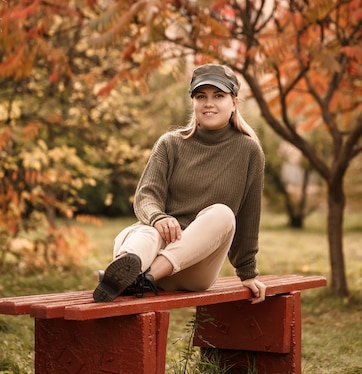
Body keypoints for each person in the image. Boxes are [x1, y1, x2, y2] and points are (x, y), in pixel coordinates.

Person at [93, 63, 266, 304]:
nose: (209, 103)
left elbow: (249, 216)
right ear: (193, 103)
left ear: (234, 102)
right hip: (152, 250)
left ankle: (142, 280)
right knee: (145, 231)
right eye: (200, 96)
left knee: (223, 214)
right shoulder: (170, 144)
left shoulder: (248, 150)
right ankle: (122, 273)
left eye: (218, 96)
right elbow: (146, 196)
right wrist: (158, 217)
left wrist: (248, 274)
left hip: (194, 269)